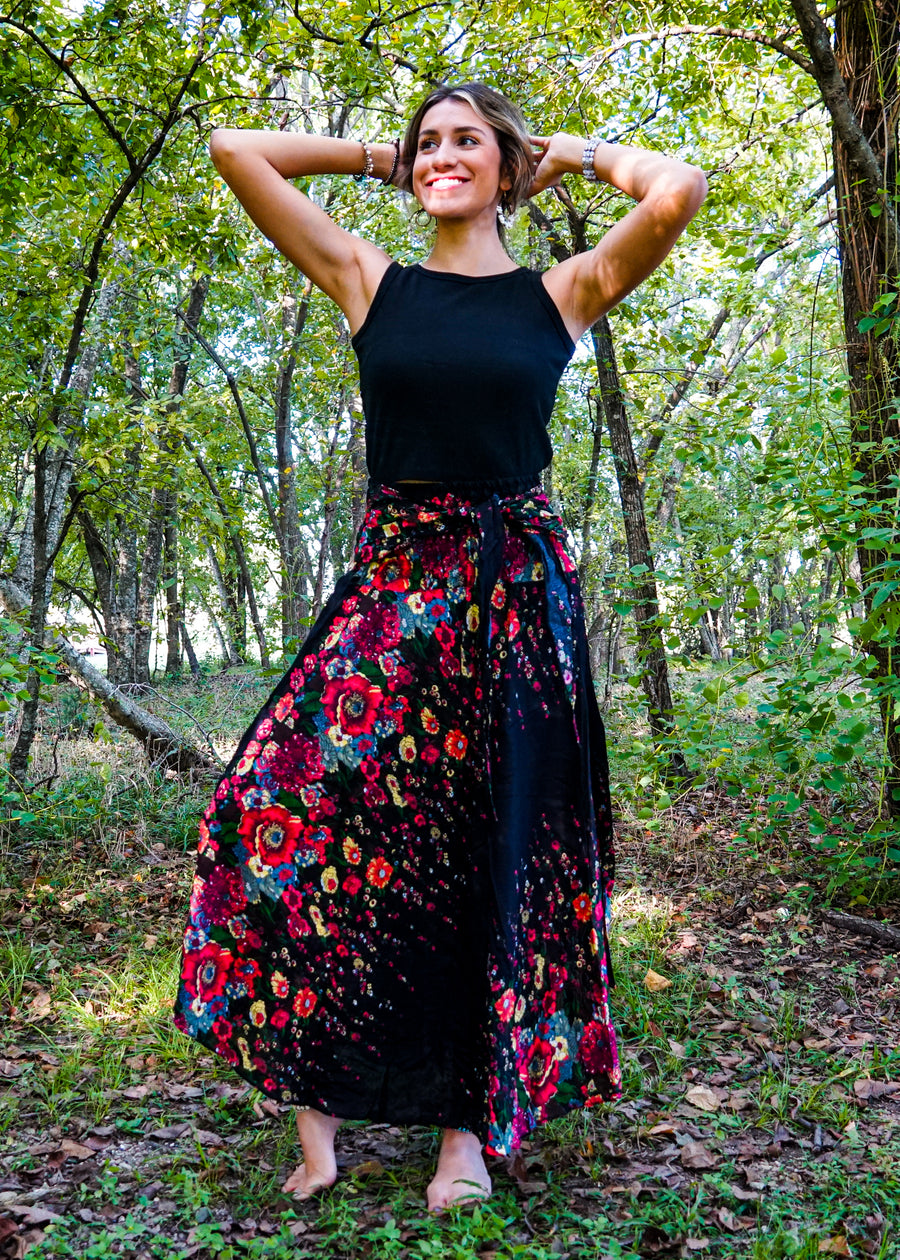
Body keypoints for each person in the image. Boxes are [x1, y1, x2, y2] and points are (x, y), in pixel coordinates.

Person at [174, 81, 706, 1211]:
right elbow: (237, 148)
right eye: (430, 143)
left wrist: (568, 148)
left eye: (468, 141)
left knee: (490, 855)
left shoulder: (558, 295)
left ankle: (466, 1135)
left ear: (508, 167)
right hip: (394, 598)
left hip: (514, 607)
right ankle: (317, 1119)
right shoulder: (373, 282)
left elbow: (678, 190)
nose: (442, 157)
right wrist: (376, 154)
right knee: (277, 814)